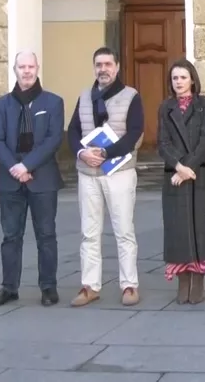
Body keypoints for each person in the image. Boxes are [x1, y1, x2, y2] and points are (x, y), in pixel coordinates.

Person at [66, 47, 145, 307]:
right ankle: (90, 286)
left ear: (117, 66)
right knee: (89, 233)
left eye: (108, 64)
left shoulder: (131, 96)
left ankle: (129, 285)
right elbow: (73, 130)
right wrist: (80, 152)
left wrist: (106, 152)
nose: (103, 69)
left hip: (119, 172)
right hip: (88, 173)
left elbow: (135, 133)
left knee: (124, 231)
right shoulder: (84, 97)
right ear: (94, 68)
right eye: (98, 64)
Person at [0, 50, 65, 308]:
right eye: (22, 67)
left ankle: (48, 287)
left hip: (42, 178)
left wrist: (27, 165)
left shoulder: (53, 102)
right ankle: (9, 288)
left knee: (46, 234)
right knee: (10, 236)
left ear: (37, 68)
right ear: (15, 70)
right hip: (11, 179)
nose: (27, 71)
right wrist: (15, 167)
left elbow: (53, 139)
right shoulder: (2, 104)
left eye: (31, 66)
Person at [158, 59, 205, 305]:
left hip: (200, 174)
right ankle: (183, 280)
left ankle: (199, 279)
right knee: (177, 229)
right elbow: (162, 142)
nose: (179, 82)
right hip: (175, 175)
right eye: (175, 78)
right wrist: (179, 166)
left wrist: (188, 168)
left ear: (192, 79)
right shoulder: (166, 107)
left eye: (183, 77)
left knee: (201, 229)